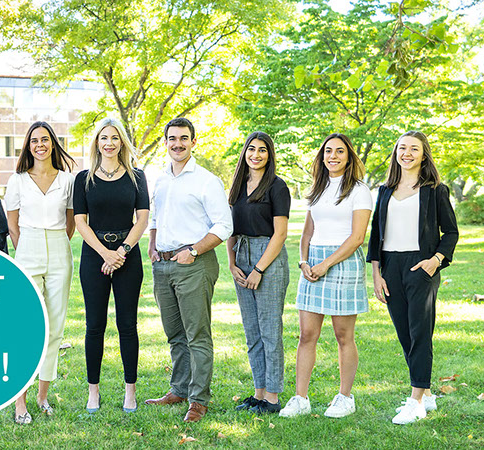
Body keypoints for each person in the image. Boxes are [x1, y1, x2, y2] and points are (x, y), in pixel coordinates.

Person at [366, 131, 458, 424]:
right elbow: (376, 235)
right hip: (390, 266)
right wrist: (377, 273)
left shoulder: (435, 190)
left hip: (422, 266)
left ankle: (416, 399)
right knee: (405, 334)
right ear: (396, 153)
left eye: (414, 149)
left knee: (420, 333)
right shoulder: (384, 190)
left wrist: (435, 261)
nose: (407, 153)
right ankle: (427, 393)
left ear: (423, 154)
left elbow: (451, 232)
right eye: (402, 148)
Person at [145, 117, 233, 423]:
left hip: (194, 264)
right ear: (165, 142)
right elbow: (156, 217)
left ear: (193, 142)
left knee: (197, 334)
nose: (178, 143)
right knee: (175, 335)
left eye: (184, 138)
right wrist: (153, 245)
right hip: (163, 265)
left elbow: (224, 225)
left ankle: (198, 399)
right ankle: (178, 389)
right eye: (172, 138)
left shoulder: (207, 181)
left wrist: (193, 250)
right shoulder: (161, 179)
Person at [279, 133, 372, 419]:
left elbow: (357, 237)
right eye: (328, 151)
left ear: (349, 157)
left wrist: (326, 264)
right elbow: (308, 231)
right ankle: (300, 398)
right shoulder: (317, 189)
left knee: (343, 335)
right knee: (307, 334)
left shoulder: (359, 190)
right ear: (322, 156)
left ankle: (345, 397)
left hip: (342, 263)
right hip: (314, 264)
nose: (333, 156)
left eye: (339, 151)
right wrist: (305, 261)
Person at [73, 118, 150, 414]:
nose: (109, 143)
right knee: (95, 326)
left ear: (122, 143)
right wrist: (105, 253)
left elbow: (142, 218)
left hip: (127, 256)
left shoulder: (137, 177)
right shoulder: (83, 179)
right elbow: (80, 221)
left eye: (115, 138)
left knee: (127, 325)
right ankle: (94, 392)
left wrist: (121, 251)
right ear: (96, 143)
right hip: (94, 256)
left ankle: (130, 392)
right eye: (103, 138)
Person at [5, 121, 76, 424]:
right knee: (25, 325)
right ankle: (19, 401)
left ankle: (42, 395)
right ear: (28, 146)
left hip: (60, 247)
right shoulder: (18, 180)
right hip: (28, 247)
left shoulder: (67, 180)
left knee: (55, 327)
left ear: (53, 143)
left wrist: (57, 243)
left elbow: (72, 220)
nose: (40, 145)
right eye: (34, 140)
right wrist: (25, 249)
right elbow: (12, 222)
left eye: (45, 139)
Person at [226, 132, 291, 414]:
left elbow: (280, 234)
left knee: (269, 331)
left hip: (268, 258)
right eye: (251, 149)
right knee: (252, 331)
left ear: (269, 154)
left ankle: (273, 398)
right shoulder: (238, 186)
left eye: (262, 150)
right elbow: (230, 228)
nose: (256, 154)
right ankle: (259, 393)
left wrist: (259, 269)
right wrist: (232, 263)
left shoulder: (277, 186)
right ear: (244, 153)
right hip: (241, 255)